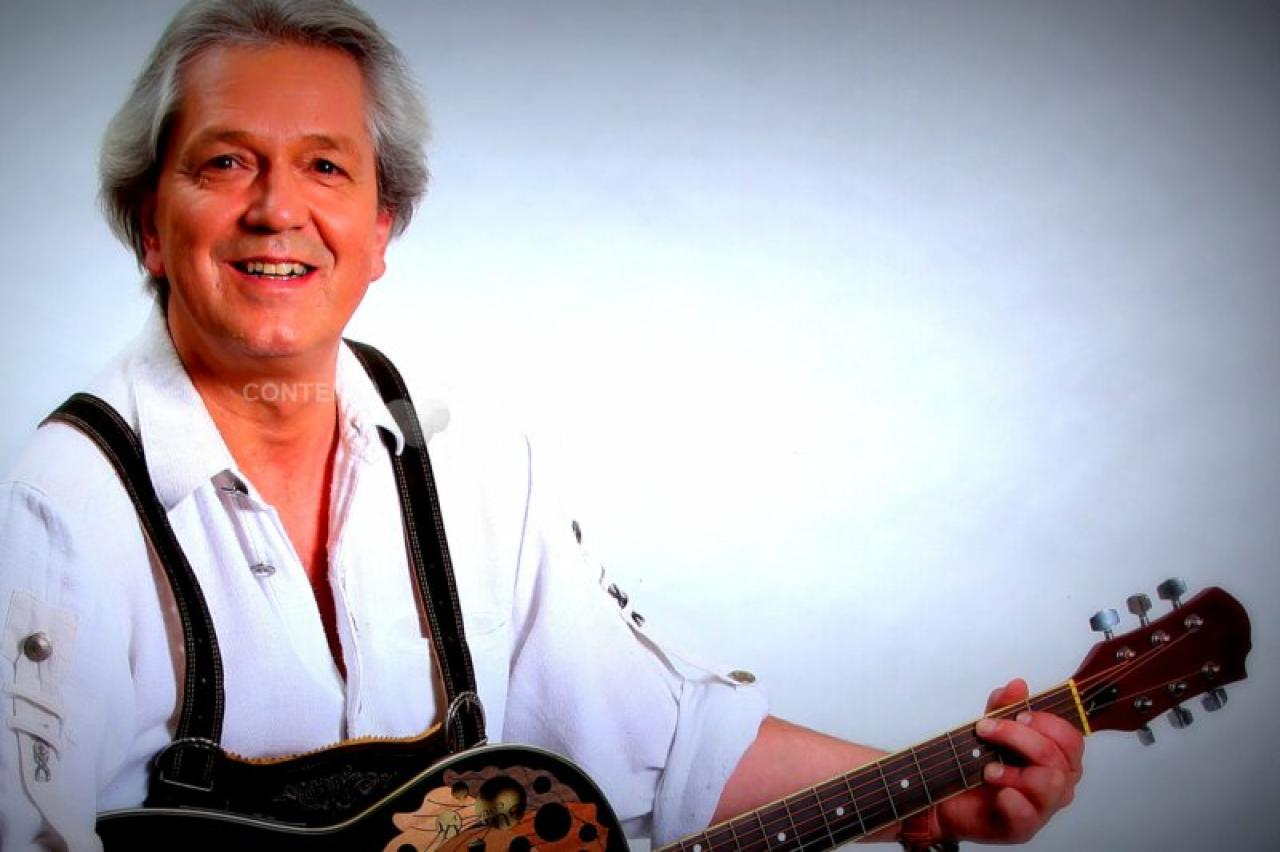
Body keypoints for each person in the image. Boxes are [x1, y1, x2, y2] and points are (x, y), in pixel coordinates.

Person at [0, 2, 1083, 850]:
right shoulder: (64, 510)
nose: (278, 209)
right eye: (226, 161)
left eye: (325, 166)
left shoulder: (473, 469)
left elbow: (664, 741)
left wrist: (930, 797)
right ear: (150, 225)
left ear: (380, 230)